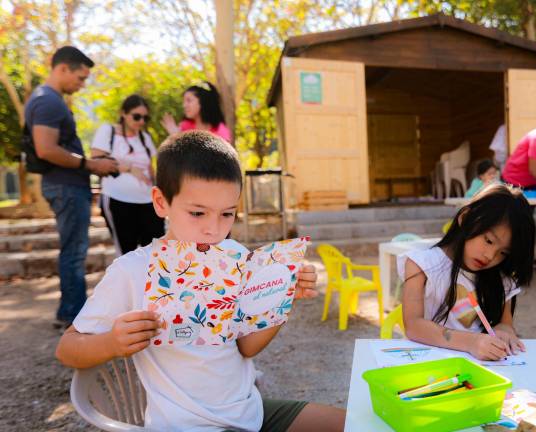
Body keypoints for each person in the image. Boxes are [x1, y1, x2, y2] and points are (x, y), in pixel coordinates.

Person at [55, 131, 345, 431]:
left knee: (356, 423)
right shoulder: (132, 271)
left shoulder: (234, 255)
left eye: (227, 214)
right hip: (185, 425)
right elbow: (67, 349)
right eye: (197, 213)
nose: (213, 229)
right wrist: (112, 342)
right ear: (160, 202)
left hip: (250, 413)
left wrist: (279, 299)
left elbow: (246, 348)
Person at [24, 46, 119, 329]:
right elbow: (45, 148)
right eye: (80, 77)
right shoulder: (48, 102)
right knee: (74, 252)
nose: (82, 84)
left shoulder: (49, 100)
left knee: (74, 250)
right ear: (63, 68)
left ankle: (70, 311)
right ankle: (73, 316)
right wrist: (91, 165)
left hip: (67, 186)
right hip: (65, 186)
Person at [399, 184, 535, 361]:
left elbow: (505, 324)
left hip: (481, 369)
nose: (490, 256)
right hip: (426, 364)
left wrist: (504, 331)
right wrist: (471, 342)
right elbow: (413, 325)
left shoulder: (501, 278)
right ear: (465, 218)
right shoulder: (422, 265)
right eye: (488, 240)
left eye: (503, 252)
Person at [92, 95, 164, 256]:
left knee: (155, 252)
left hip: (147, 202)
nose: (141, 122)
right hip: (118, 200)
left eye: (145, 118)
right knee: (127, 254)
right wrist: (130, 168)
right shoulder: (108, 131)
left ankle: (151, 282)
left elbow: (150, 168)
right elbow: (96, 162)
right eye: (137, 116)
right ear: (123, 113)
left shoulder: (145, 137)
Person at [161, 81, 231, 142]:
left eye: (189, 100)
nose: (184, 105)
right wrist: (175, 136)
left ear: (203, 101)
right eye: (184, 101)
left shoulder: (220, 131)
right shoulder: (184, 127)